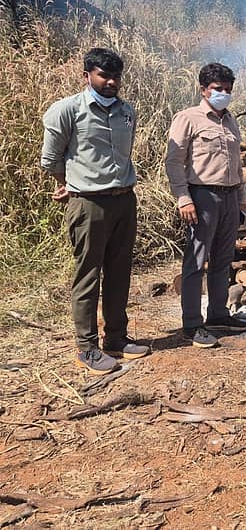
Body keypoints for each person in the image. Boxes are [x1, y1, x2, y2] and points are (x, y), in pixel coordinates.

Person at [41, 48, 150, 375]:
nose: (111, 82)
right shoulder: (67, 111)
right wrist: (69, 184)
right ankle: (86, 348)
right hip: (89, 204)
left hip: (123, 201)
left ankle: (115, 338)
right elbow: (51, 159)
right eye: (104, 75)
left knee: (119, 272)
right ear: (87, 74)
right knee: (88, 275)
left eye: (116, 76)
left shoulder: (126, 111)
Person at [165, 62, 246, 348]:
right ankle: (192, 324)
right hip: (202, 197)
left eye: (227, 90)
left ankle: (218, 314)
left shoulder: (230, 121)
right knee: (196, 261)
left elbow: (236, 164)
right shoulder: (188, 118)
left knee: (223, 260)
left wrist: (241, 197)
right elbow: (174, 162)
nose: (223, 94)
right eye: (217, 89)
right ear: (203, 90)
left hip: (229, 197)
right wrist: (183, 197)